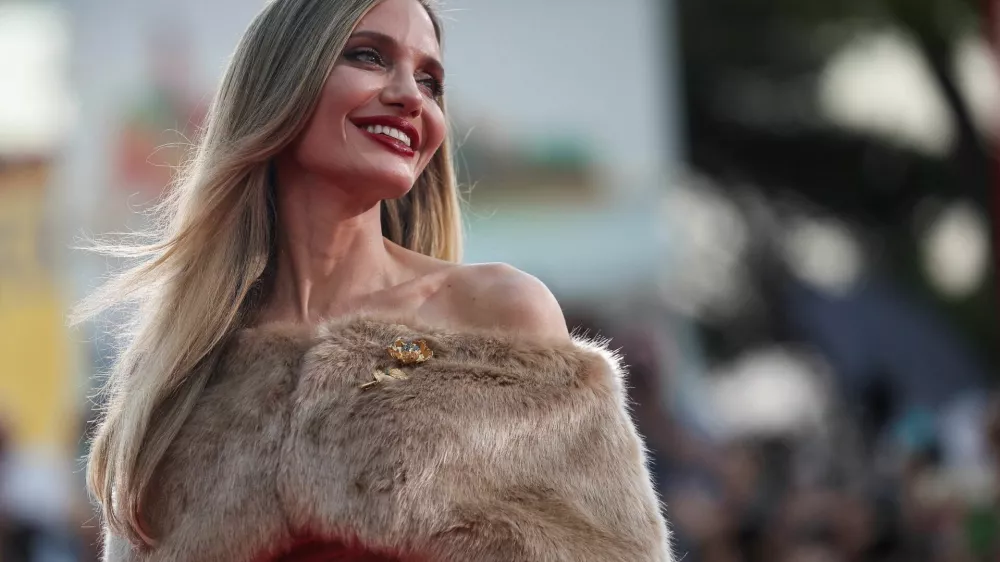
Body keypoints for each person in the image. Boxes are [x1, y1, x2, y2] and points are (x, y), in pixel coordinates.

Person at [73, 0, 673, 560]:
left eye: (431, 82)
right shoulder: (180, 374)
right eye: (369, 55)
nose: (411, 96)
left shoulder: (497, 313)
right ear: (284, 80)